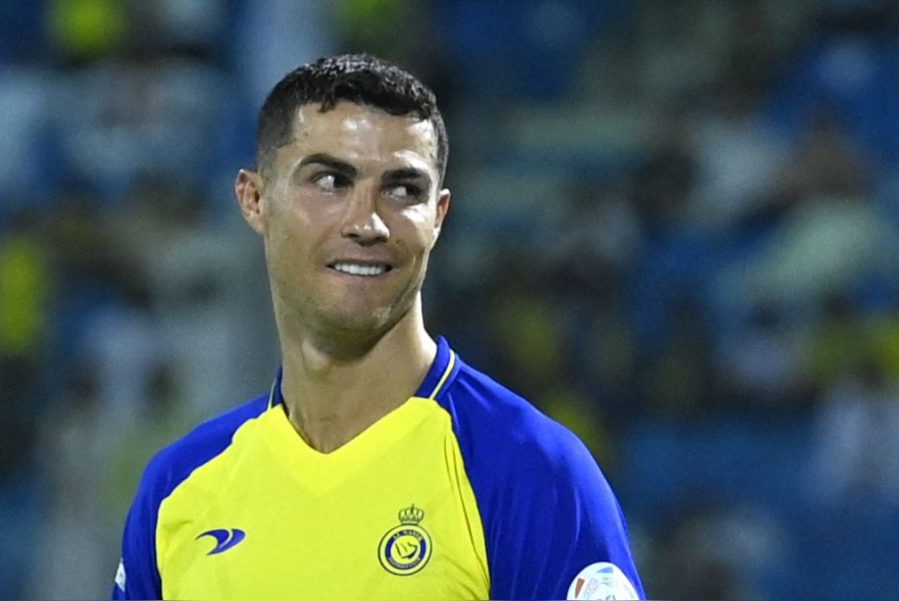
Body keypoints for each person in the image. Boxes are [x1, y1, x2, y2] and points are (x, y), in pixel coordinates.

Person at [112, 53, 645, 601]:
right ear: (255, 199)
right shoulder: (179, 488)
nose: (367, 223)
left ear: (438, 217)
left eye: (402, 190)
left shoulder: (529, 471)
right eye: (330, 181)